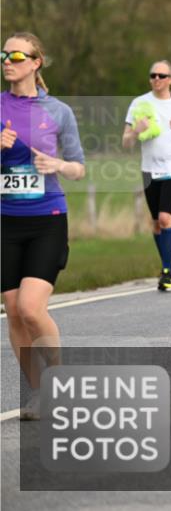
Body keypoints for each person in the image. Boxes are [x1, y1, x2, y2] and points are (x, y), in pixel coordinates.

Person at [2, 32, 86, 420]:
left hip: (47, 219)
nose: (8, 61)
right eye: (3, 55)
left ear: (36, 62)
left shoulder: (58, 112)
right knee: (15, 310)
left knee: (33, 308)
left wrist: (58, 166)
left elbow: (79, 168)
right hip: (6, 221)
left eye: (17, 55)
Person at [123, 60, 171, 291]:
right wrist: (136, 131)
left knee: (166, 217)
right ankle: (169, 264)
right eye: (153, 75)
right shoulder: (139, 103)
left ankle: (167, 271)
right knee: (156, 222)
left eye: (162, 76)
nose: (157, 79)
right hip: (150, 167)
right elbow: (126, 141)